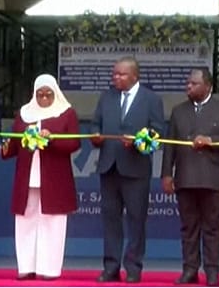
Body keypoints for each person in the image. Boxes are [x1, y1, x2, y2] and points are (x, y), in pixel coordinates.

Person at [162, 68, 219, 287]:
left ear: (208, 86)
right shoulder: (178, 111)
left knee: (212, 227)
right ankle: (190, 269)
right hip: (185, 177)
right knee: (188, 228)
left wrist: (211, 140)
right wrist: (167, 174)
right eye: (188, 83)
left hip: (213, 179)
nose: (189, 87)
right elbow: (169, 146)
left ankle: (212, 272)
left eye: (194, 84)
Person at [91, 56, 165, 284]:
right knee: (110, 220)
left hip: (136, 169)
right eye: (114, 74)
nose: (116, 77)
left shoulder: (151, 99)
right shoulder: (107, 96)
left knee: (136, 220)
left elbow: (157, 134)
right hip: (109, 167)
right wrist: (95, 136)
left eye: (121, 74)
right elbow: (95, 124)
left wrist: (137, 142)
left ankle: (133, 267)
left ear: (134, 76)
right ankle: (110, 267)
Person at [1, 74, 80, 281]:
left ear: (56, 93)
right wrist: (6, 147)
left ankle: (49, 269)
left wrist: (51, 139)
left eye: (48, 94)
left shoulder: (66, 113)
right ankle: (26, 266)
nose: (44, 98)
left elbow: (74, 143)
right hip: (26, 177)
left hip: (54, 178)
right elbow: (14, 145)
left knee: (53, 223)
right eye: (40, 94)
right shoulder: (24, 114)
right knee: (25, 222)